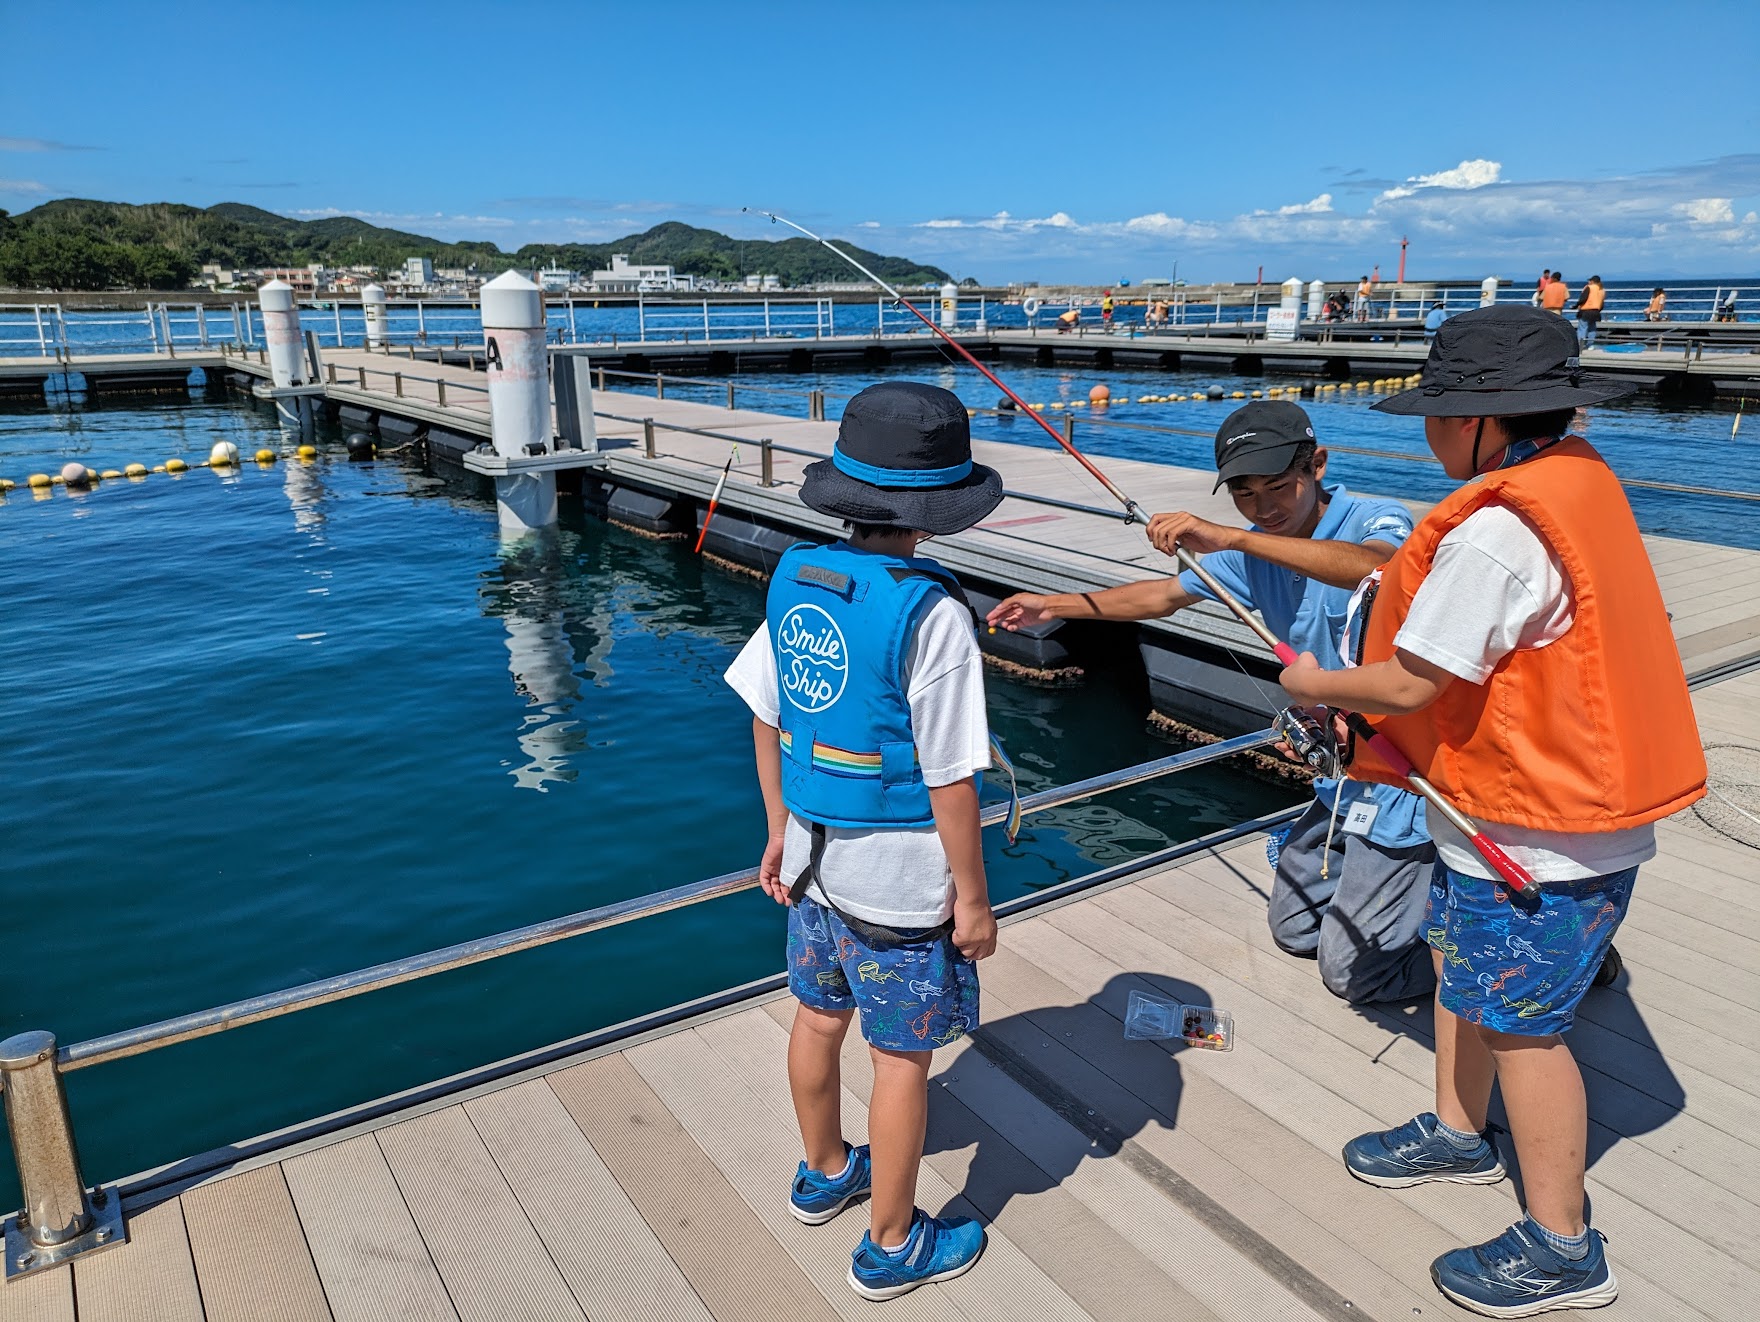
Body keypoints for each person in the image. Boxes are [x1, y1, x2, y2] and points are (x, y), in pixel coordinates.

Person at [1278, 305, 1707, 1318]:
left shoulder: (1497, 532)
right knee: (1454, 970)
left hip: (1539, 840)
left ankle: (1563, 1243)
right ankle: (1455, 1129)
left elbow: (1409, 682)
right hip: (1514, 818)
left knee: (1522, 1029)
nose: (1426, 431)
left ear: (1481, 422)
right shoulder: (1575, 481)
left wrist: (1317, 680)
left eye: (1437, 414)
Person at [988, 400, 1436, 1005]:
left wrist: (1230, 536)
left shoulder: (1372, 519)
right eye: (1245, 495)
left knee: (1352, 976)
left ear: (1319, 465)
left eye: (1279, 487)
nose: (1263, 508)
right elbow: (1161, 597)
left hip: (1406, 769)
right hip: (1341, 766)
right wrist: (1054, 604)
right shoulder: (1249, 546)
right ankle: (1416, 901)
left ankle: (1478, 961)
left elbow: (1379, 567)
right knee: (1296, 929)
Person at [724, 381, 1001, 1301]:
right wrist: (971, 896)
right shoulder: (934, 614)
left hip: (809, 860)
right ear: (937, 511)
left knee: (815, 1017)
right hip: (897, 880)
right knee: (900, 1059)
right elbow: (951, 777)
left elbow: (765, 715)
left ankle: (822, 1171)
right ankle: (890, 1244)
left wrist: (776, 828)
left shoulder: (802, 579)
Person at [1575, 275, 1605, 346]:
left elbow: (1583, 299)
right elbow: (1602, 303)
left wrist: (1576, 305)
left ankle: (1580, 345)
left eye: (1589, 280)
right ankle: (1590, 345)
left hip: (1586, 311)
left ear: (1592, 281)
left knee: (1582, 328)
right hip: (1596, 312)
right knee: (1592, 329)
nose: (1588, 282)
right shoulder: (1602, 290)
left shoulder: (1589, 288)